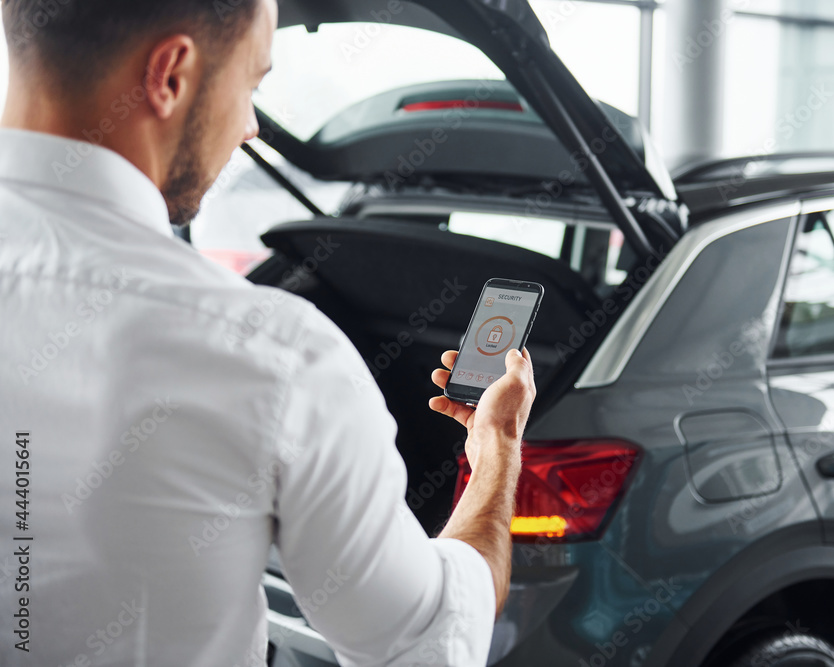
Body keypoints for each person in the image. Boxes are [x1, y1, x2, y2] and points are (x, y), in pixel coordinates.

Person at [0, 1, 535, 665]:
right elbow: (420, 646)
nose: (252, 126)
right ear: (169, 74)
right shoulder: (270, 354)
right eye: (252, 84)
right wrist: (498, 449)